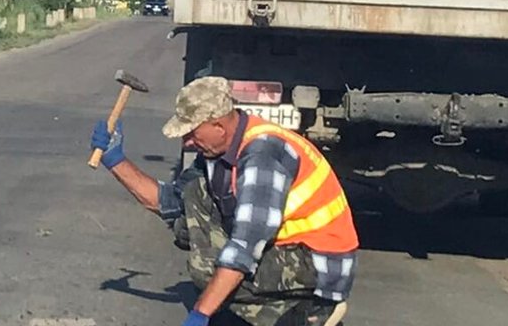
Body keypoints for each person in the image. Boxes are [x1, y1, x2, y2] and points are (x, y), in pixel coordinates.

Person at [90, 76, 358, 326]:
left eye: (192, 133)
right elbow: (171, 203)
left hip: (319, 264)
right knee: (192, 204)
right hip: (282, 247)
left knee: (207, 271)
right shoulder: (217, 151)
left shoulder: (262, 155)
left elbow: (244, 247)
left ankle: (313, 311)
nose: (187, 142)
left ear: (218, 125)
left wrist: (199, 314)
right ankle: (253, 307)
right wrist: (115, 161)